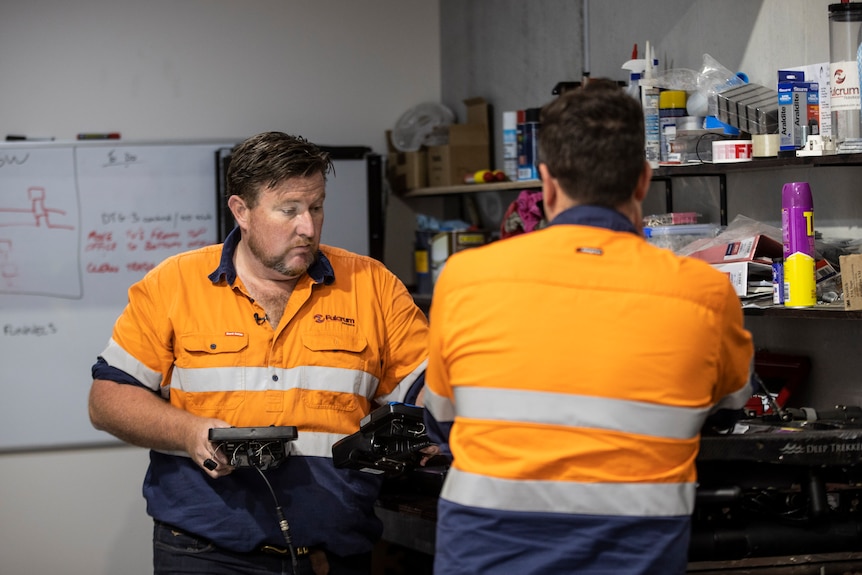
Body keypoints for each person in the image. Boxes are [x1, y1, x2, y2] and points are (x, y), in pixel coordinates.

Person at [422, 79, 755, 575]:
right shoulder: (705, 292)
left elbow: (443, 420)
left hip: (485, 556)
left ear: (547, 183)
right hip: (633, 557)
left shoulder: (464, 278)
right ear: (642, 180)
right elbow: (729, 406)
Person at [88, 131, 429, 575]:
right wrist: (190, 432)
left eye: (317, 207)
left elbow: (428, 391)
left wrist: (431, 424)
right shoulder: (173, 284)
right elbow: (108, 400)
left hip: (333, 555)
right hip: (203, 553)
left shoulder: (373, 285)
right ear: (241, 211)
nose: (308, 226)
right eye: (289, 210)